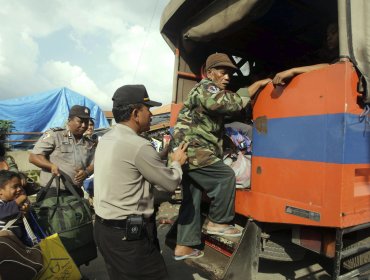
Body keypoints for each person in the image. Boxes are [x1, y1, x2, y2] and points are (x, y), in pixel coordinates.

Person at [171, 53, 271, 259]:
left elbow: (212, 125)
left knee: (193, 198)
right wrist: (257, 85)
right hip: (195, 150)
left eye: (230, 74)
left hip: (188, 152)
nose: (227, 77)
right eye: (223, 72)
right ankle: (219, 222)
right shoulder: (206, 87)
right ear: (209, 73)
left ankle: (184, 246)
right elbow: (231, 104)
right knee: (225, 177)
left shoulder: (205, 93)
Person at [93, 84, 188, 280]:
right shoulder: (139, 145)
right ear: (136, 113)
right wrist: (177, 163)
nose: (151, 115)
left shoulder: (107, 139)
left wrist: (160, 155)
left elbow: (129, 170)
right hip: (129, 237)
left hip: (105, 231)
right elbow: (169, 183)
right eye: (148, 110)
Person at [29, 105, 95, 197]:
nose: (84, 125)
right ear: (69, 120)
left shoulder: (89, 143)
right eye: (80, 121)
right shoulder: (55, 135)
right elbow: (34, 157)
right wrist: (51, 166)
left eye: (86, 122)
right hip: (53, 192)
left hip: (75, 192)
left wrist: (86, 172)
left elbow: (95, 163)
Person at [272, 23, 339, 86]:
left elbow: (331, 65)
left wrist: (293, 71)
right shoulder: (320, 54)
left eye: (333, 33)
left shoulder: (344, 58)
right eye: (327, 35)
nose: (328, 38)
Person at [0, 170, 29, 241]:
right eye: (15, 186)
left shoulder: (17, 205)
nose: (19, 189)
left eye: (19, 186)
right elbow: (2, 211)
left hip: (18, 243)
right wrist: (21, 199)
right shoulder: (7, 205)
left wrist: (26, 213)